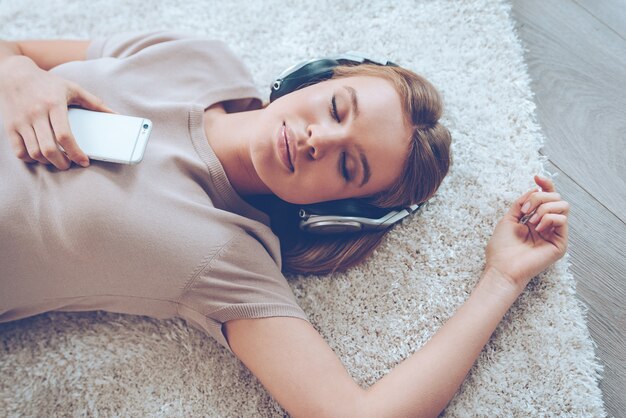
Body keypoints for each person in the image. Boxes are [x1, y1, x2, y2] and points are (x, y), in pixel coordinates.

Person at [0, 31, 569, 417]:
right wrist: (20, 74)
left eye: (349, 166)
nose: (319, 139)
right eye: (336, 108)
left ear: (337, 214)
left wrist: (502, 278)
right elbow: (15, 44)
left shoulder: (228, 258)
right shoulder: (201, 60)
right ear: (312, 80)